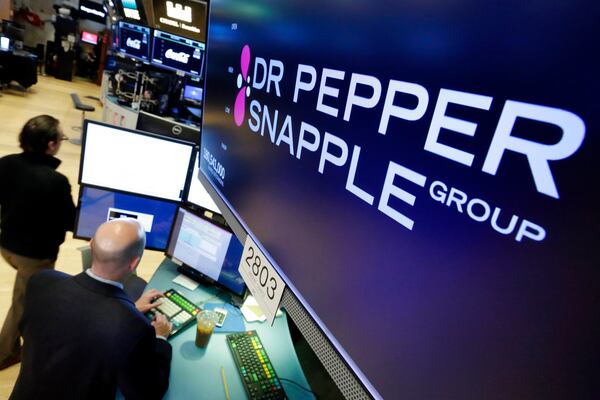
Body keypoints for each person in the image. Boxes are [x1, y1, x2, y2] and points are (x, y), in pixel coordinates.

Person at [10, 219, 173, 399]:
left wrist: (128, 310)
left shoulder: (41, 282)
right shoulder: (134, 327)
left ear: (91, 244)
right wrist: (160, 338)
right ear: (134, 263)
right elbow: (146, 393)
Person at [0, 115, 76, 369]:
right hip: (33, 256)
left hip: (6, 246)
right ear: (51, 145)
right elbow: (71, 222)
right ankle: (6, 352)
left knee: (27, 294)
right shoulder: (55, 182)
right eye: (61, 138)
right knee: (23, 302)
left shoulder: (6, 163)